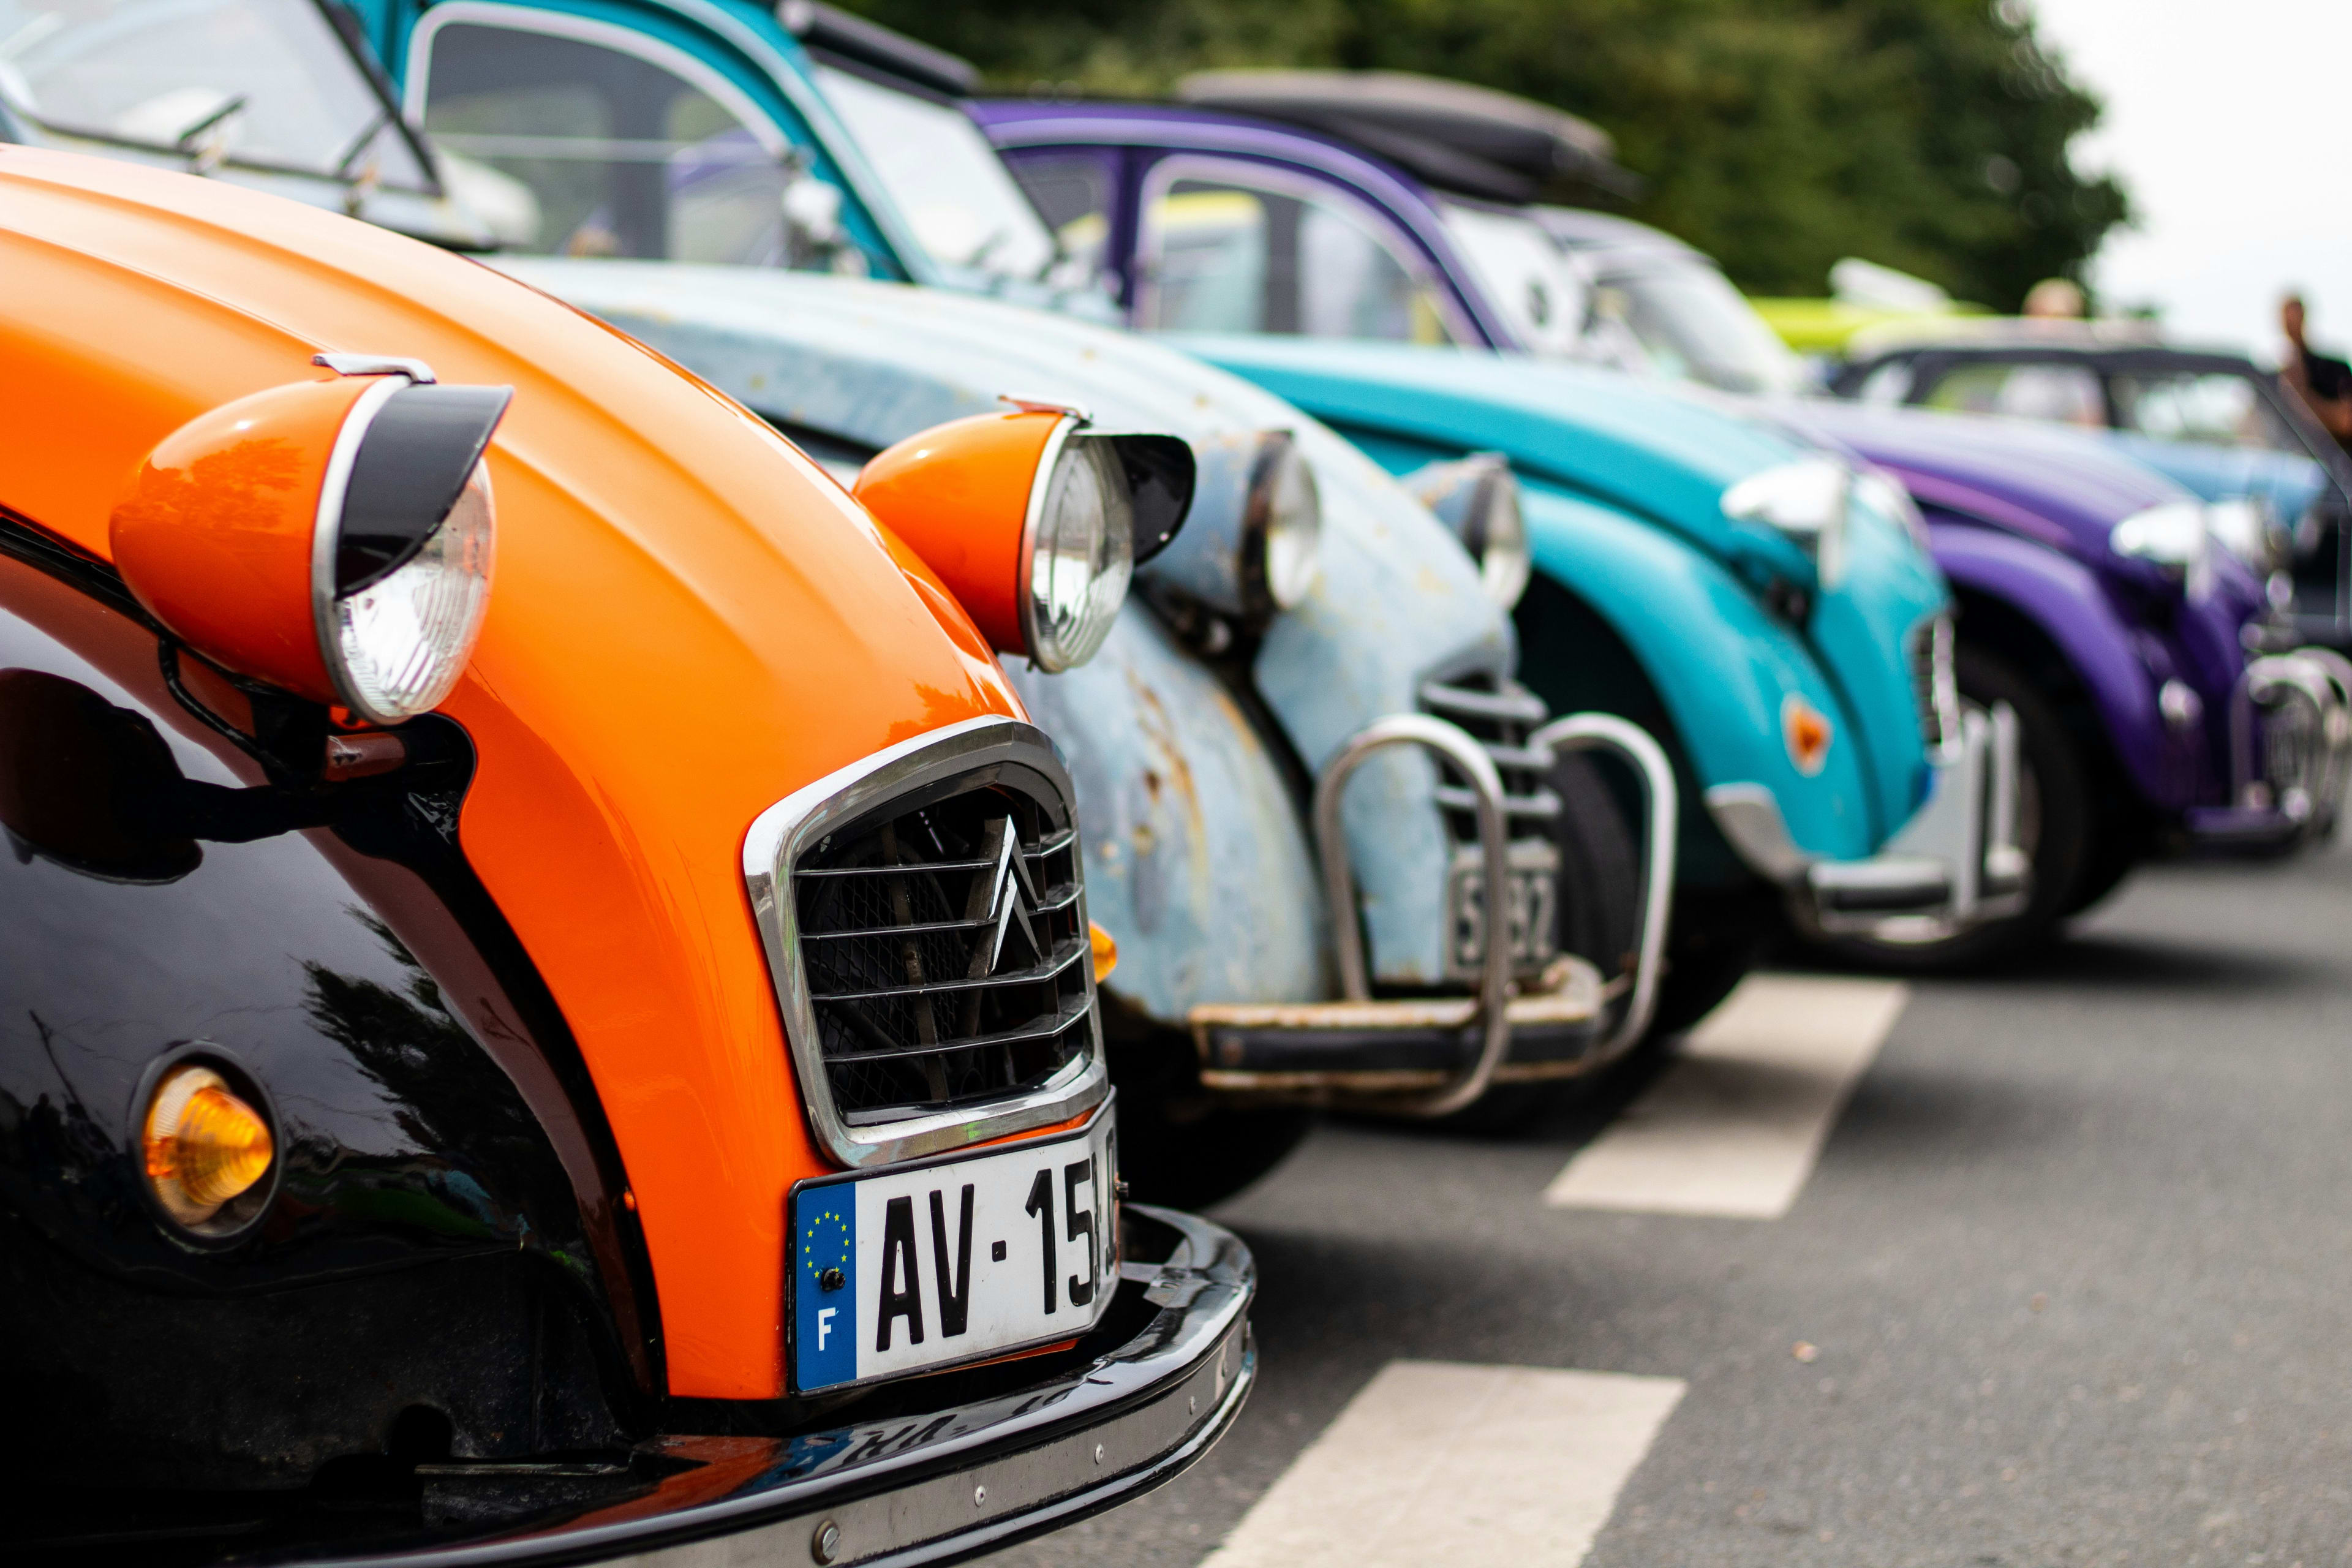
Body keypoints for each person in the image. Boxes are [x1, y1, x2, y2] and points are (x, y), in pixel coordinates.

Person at [2279, 293, 2352, 449]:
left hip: (2335, 465)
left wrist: (2301, 394)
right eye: (2288, 321)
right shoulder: (2277, 376)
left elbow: (2346, 422)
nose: (2292, 326)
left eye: (2295, 318)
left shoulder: (2333, 369)